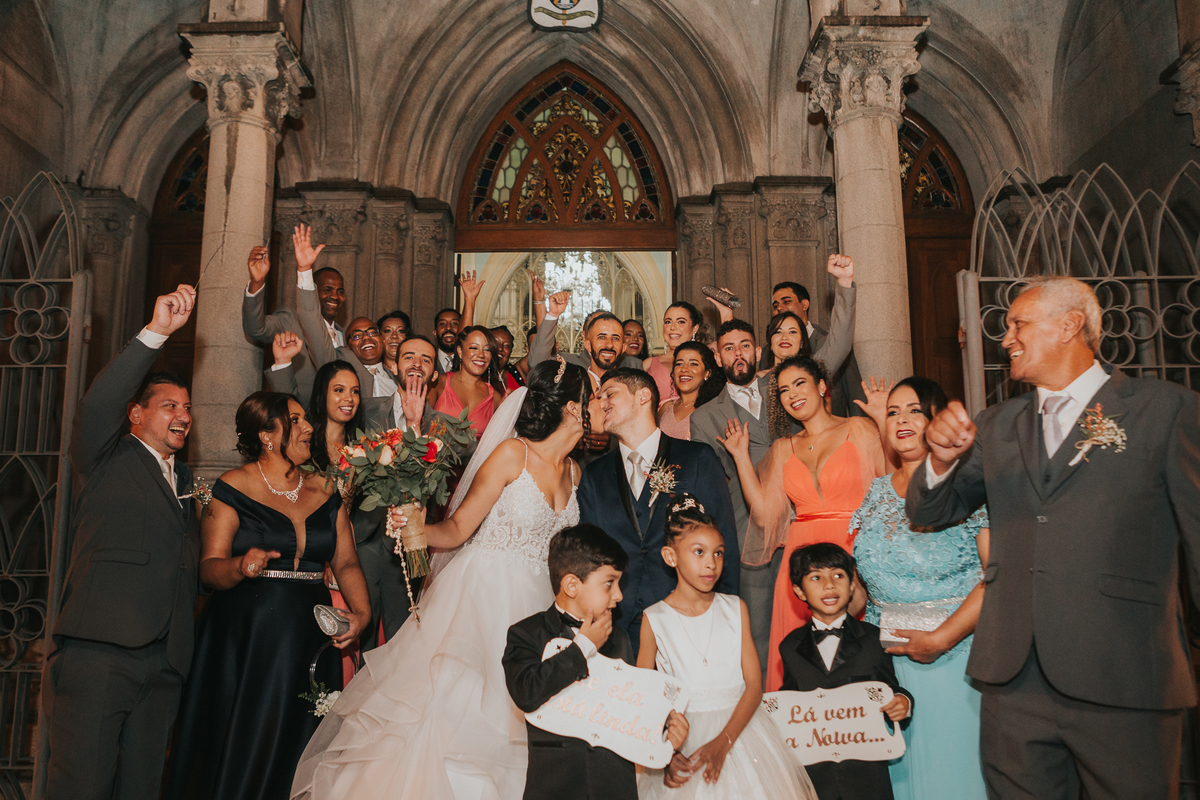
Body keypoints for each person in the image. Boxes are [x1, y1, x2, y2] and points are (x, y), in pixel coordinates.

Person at [906, 276, 1200, 799]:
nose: (1006, 338)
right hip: (1014, 681)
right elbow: (931, 511)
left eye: (1018, 323)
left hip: (1124, 672)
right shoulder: (996, 424)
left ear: (1070, 325)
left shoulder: (1164, 410)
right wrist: (939, 462)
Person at [291, 359, 597, 799]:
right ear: (573, 407)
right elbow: (456, 529)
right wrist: (415, 528)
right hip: (485, 598)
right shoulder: (514, 454)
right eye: (596, 395)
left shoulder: (574, 471)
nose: (602, 402)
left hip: (541, 608)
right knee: (459, 717)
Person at [165, 392, 370, 800]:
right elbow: (209, 568)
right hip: (249, 640)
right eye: (295, 420)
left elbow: (345, 563)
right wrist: (241, 566)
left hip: (311, 640)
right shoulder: (232, 487)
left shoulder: (327, 489)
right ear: (267, 434)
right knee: (249, 743)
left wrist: (361, 613)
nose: (309, 427)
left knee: (302, 745)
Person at [42, 285, 199, 800]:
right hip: (100, 652)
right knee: (80, 788)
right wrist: (157, 333)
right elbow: (98, 402)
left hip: (164, 662)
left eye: (188, 408)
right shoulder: (105, 455)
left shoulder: (185, 478)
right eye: (169, 405)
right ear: (135, 414)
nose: (183, 415)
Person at [692, 254, 858, 667]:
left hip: (802, 521)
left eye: (745, 345)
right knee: (762, 630)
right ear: (718, 357)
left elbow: (835, 349)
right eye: (728, 348)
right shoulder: (704, 416)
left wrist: (846, 288)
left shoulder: (782, 388)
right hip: (750, 531)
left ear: (758, 350)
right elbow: (712, 483)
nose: (738, 354)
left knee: (827, 624)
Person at [850, 377, 989, 800]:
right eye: (892, 412)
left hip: (955, 660)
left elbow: (998, 576)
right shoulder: (872, 494)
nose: (901, 419)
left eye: (913, 409)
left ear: (936, 419)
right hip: (886, 669)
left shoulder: (970, 487)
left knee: (954, 778)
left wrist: (941, 639)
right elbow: (861, 590)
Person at [720, 355, 886, 690]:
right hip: (802, 557)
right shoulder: (784, 448)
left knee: (858, 654)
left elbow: (889, 489)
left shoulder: (858, 429)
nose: (791, 394)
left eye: (799, 383)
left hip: (855, 547)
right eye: (782, 390)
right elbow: (765, 515)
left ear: (821, 386)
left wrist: (883, 422)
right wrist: (740, 457)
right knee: (803, 665)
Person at [637, 497, 818, 800]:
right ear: (670, 556)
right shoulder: (654, 619)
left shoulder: (735, 608)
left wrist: (724, 742)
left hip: (742, 731)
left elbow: (753, 686)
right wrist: (665, 753)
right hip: (684, 739)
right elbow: (644, 696)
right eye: (699, 552)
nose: (711, 563)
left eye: (718, 553)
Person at [503, 523, 689, 800]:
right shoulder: (526, 634)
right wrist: (583, 647)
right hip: (555, 788)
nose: (619, 595)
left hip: (613, 788)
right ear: (571, 585)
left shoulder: (621, 639)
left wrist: (665, 732)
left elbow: (629, 711)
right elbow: (526, 693)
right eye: (609, 583)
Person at [577, 368, 739, 653]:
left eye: (610, 394)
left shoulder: (697, 458)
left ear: (643, 396)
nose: (602, 403)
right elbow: (588, 556)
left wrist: (724, 615)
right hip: (617, 626)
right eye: (599, 397)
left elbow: (723, 540)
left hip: (689, 621)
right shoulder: (594, 475)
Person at [779, 543, 913, 800]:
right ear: (799, 590)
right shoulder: (790, 647)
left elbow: (890, 686)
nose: (829, 585)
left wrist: (903, 702)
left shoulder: (875, 639)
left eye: (838, 575)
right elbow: (790, 701)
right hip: (816, 778)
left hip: (867, 775)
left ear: (852, 585)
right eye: (816, 577)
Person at [283, 226, 398, 397]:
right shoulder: (341, 373)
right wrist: (305, 270)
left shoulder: (399, 381)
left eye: (372, 332)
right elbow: (312, 324)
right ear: (347, 347)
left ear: (382, 338)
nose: (367, 338)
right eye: (357, 335)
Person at [244, 245, 347, 401]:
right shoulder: (290, 320)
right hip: (300, 411)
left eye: (340, 291)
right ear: (312, 291)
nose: (335, 296)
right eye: (328, 289)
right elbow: (256, 328)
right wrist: (256, 283)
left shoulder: (343, 335)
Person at [771, 280, 865, 417]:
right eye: (775, 305)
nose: (779, 307)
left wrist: (859, 429)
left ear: (805, 304)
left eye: (786, 301)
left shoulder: (830, 343)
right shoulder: (769, 350)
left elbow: (854, 391)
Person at [431, 325, 505, 438]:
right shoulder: (438, 383)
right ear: (460, 351)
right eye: (474, 348)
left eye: (487, 349)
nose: (481, 355)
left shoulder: (495, 398)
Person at [657, 340, 724, 440]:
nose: (684, 369)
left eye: (693, 364)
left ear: (707, 373)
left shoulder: (713, 410)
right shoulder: (666, 408)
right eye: (679, 364)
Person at [644, 302, 704, 404]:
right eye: (668, 322)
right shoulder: (648, 365)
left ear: (694, 328)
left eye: (680, 322)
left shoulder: (706, 361)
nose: (672, 327)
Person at [755, 311, 810, 376]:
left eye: (792, 332)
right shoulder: (756, 381)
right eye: (778, 332)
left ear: (802, 341)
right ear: (771, 343)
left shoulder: (812, 379)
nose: (784, 337)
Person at [378, 310, 411, 378]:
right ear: (379, 336)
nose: (394, 336)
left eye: (400, 331)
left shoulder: (417, 371)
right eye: (388, 331)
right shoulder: (372, 374)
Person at [491, 325, 524, 390]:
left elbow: (542, 348)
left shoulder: (518, 373)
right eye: (495, 343)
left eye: (506, 345)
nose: (500, 348)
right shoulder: (475, 375)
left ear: (511, 350)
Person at [433, 307, 462, 375]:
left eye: (454, 323)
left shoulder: (469, 362)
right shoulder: (428, 360)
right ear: (435, 333)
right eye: (442, 323)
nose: (448, 327)